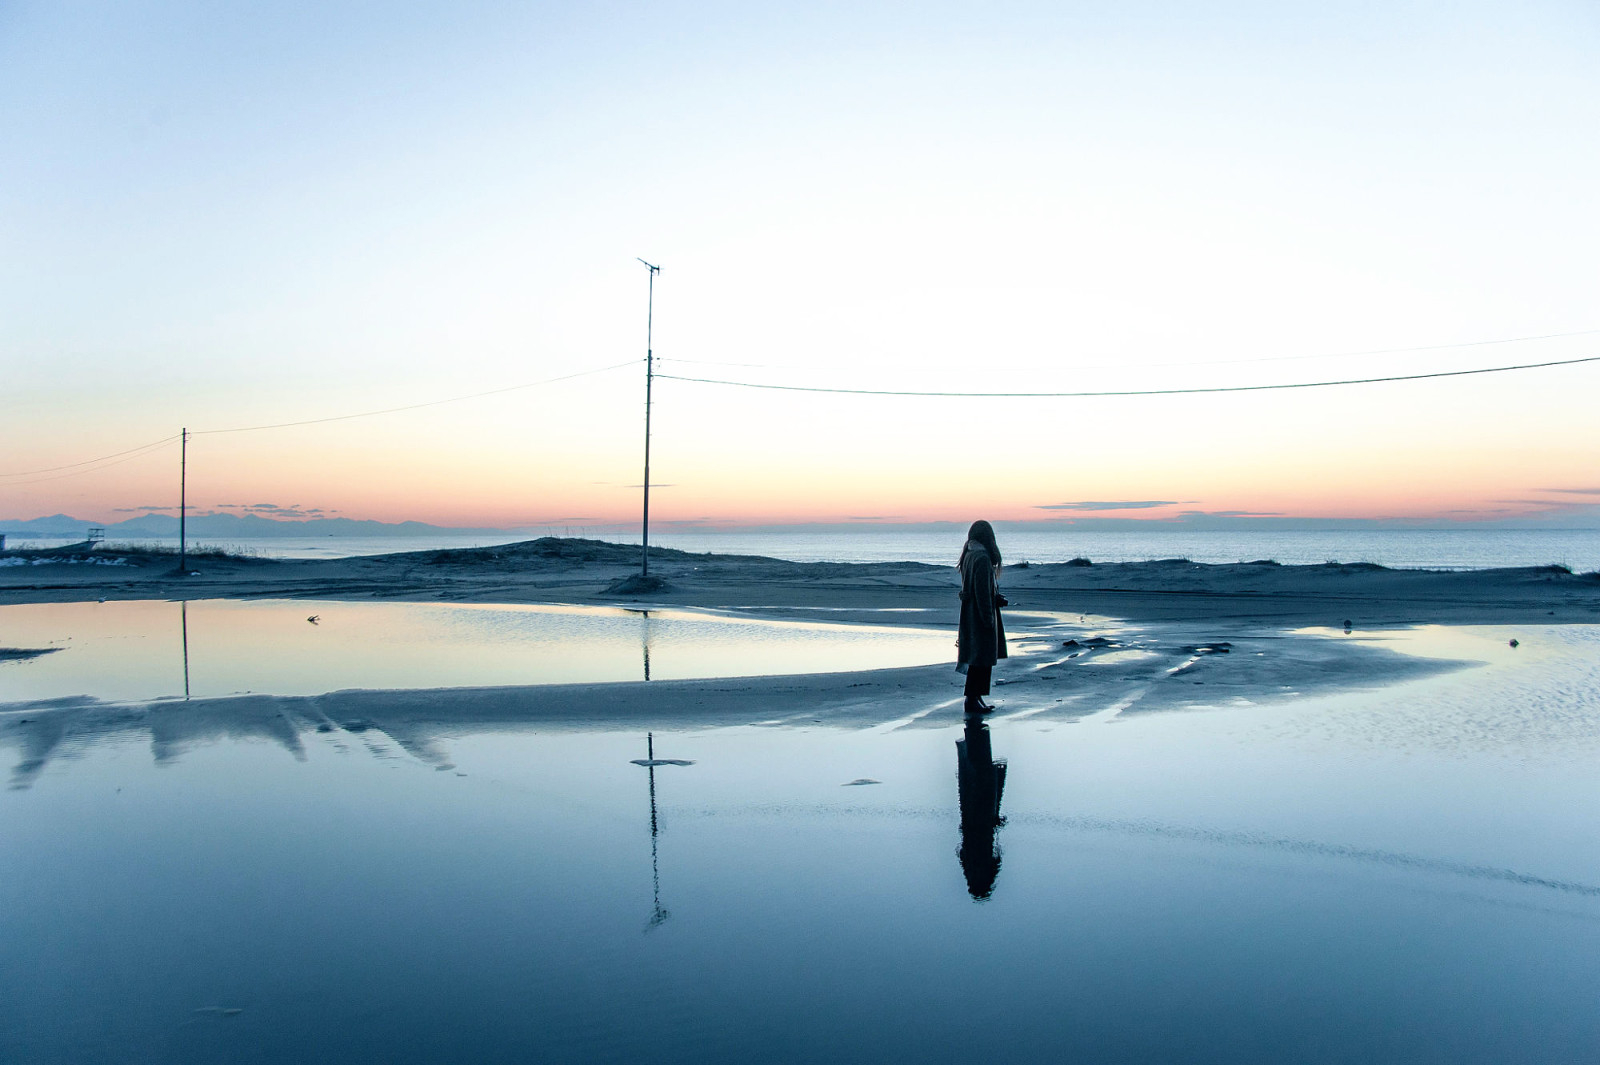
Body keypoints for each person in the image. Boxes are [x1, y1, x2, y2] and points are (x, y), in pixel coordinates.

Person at [956, 519, 1007, 714]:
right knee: (981, 660)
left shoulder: (969, 555)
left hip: (970, 615)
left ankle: (975, 698)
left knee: (977, 659)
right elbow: (982, 593)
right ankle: (972, 699)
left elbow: (973, 588)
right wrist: (988, 618)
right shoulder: (982, 558)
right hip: (979, 617)